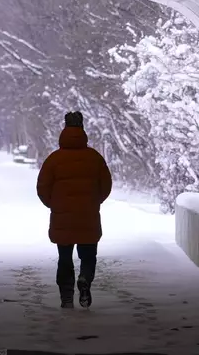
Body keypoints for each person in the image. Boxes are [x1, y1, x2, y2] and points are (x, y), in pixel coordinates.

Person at [36, 111, 112, 309]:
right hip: (88, 215)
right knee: (88, 255)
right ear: (83, 128)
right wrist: (94, 201)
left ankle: (66, 296)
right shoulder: (95, 158)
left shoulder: (54, 159)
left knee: (64, 257)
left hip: (63, 217)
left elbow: (42, 187)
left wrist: (55, 205)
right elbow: (106, 185)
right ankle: (85, 279)